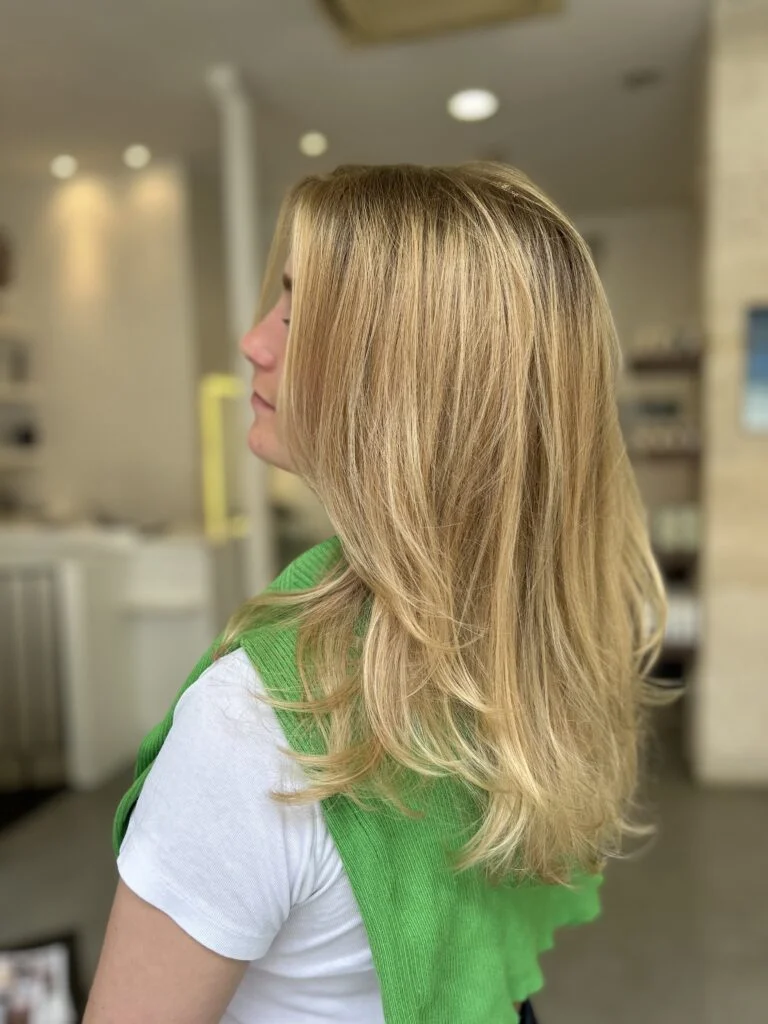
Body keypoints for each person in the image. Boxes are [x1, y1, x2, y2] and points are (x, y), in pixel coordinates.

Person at [84, 163, 667, 1023]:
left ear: (407, 383)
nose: (254, 341)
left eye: (298, 314)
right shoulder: (550, 636)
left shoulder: (258, 724)